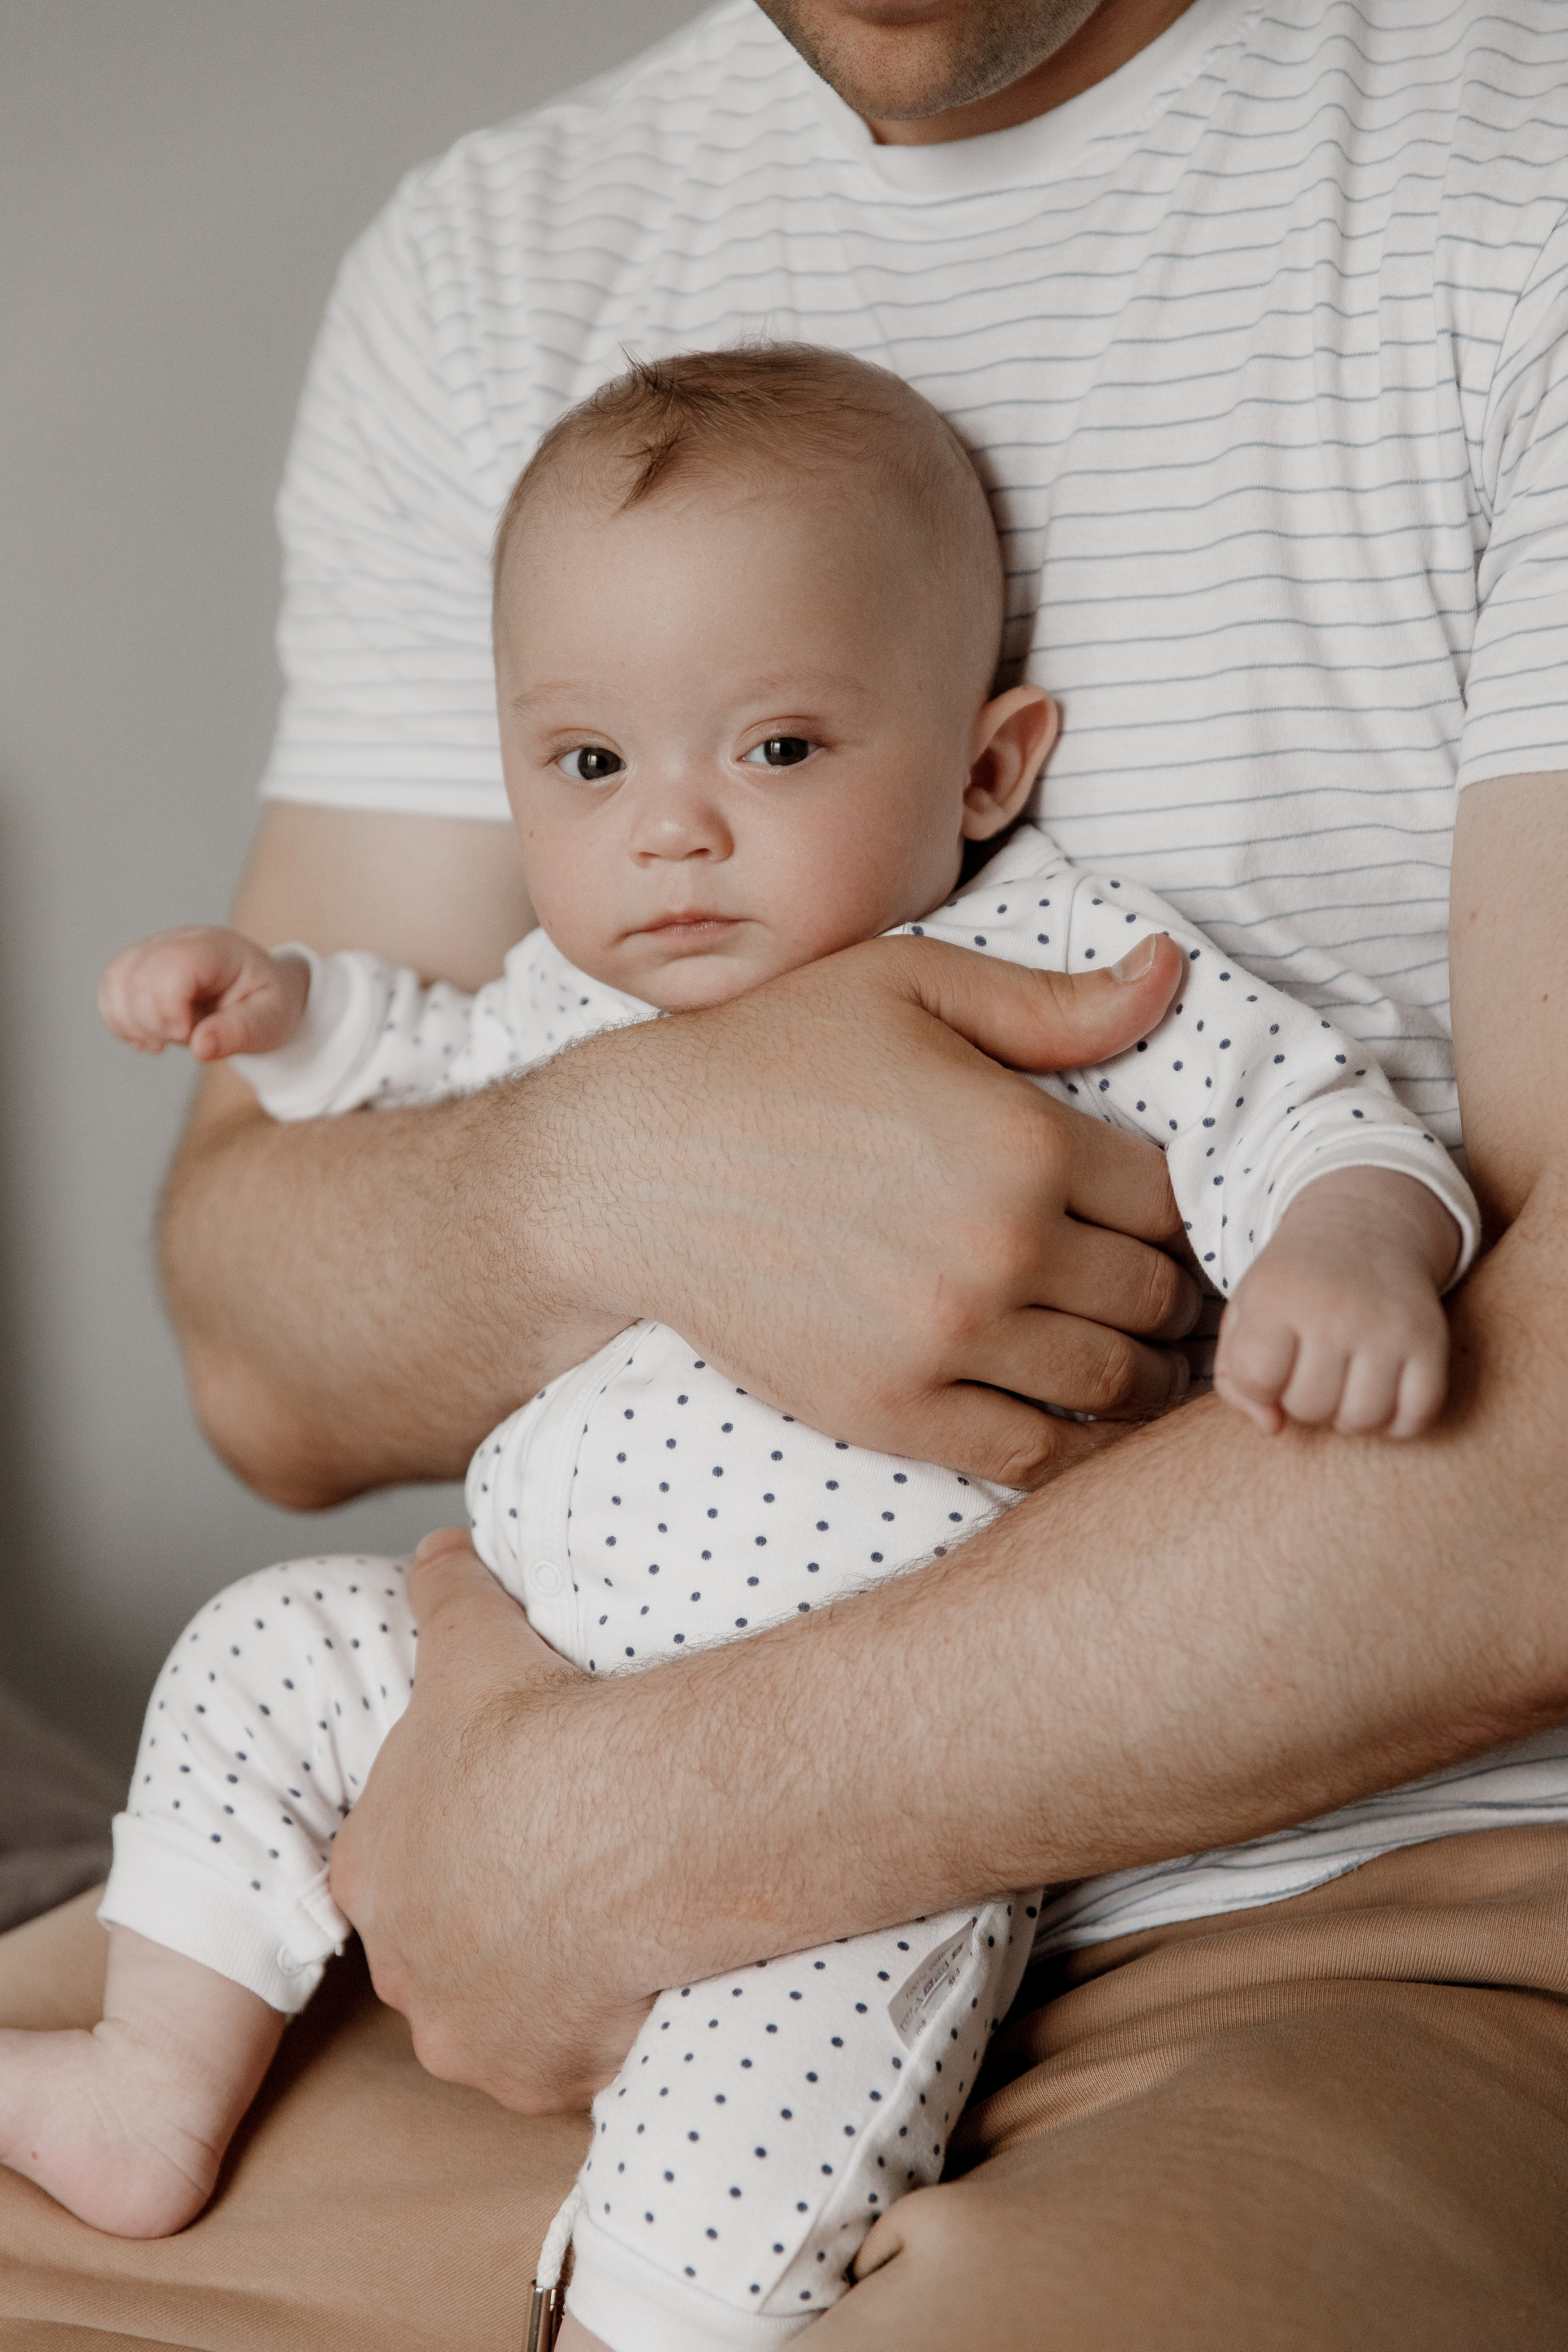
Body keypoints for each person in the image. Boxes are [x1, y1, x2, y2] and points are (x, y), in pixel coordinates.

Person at [4, 1, 1567, 2345]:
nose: (672, 828)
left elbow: (1428, 1299)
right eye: (596, 760)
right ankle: (149, 2069)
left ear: (985, 761)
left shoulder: (1501, 165)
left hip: (1334, 1885)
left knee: (706, 2265)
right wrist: (586, 1160)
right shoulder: (494, 267)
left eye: (780, 746)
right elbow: (267, 1322)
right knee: (256, 1664)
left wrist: (635, 1827)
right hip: (479, 1759)